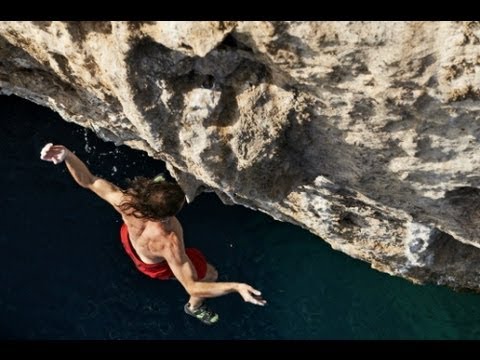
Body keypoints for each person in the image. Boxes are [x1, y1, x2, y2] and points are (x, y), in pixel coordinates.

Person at [40, 143, 266, 325]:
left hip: (131, 240)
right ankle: (194, 308)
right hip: (155, 264)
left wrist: (67, 155)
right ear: (167, 216)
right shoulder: (170, 241)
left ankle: (158, 191)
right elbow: (192, 287)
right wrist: (236, 287)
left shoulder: (128, 203)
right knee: (210, 274)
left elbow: (89, 180)